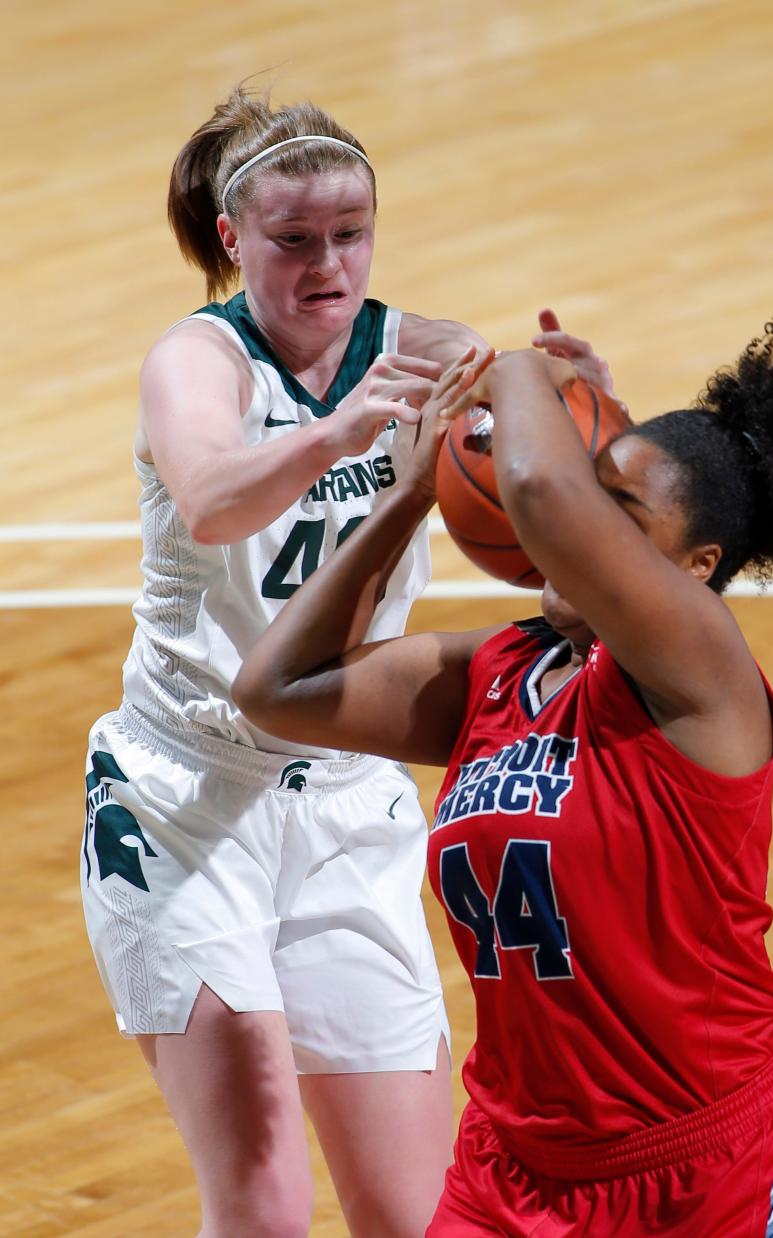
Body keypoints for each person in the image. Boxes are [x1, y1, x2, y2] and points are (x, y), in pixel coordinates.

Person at [233, 322, 773, 1236]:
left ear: (696, 571)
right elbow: (275, 689)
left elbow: (536, 484)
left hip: (710, 1170)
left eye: (623, 512)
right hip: (512, 1175)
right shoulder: (495, 675)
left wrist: (519, 371)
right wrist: (411, 497)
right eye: (594, 494)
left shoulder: (702, 673)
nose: (584, 529)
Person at [79, 83, 492, 1238]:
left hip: (349, 803)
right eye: (294, 240)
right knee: (263, 1208)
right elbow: (211, 499)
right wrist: (335, 430)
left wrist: (575, 402)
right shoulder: (197, 361)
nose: (328, 265)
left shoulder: (428, 351)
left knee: (414, 1216)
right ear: (232, 238)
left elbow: (548, 485)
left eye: (349, 235)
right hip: (184, 804)